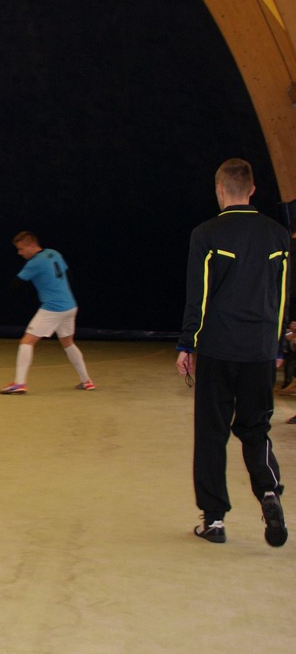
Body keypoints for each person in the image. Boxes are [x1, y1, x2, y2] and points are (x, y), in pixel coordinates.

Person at [176, 158, 288, 546]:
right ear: (252, 189)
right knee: (256, 428)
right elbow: (282, 295)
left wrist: (187, 343)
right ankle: (269, 490)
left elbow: (199, 294)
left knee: (212, 432)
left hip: (217, 349)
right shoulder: (278, 235)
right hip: (259, 350)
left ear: (220, 189)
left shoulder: (206, 234)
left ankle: (214, 520)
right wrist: (277, 345)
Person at [0, 231, 95, 395]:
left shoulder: (34, 263)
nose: (19, 253)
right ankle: (87, 381)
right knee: (68, 343)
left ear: (31, 245)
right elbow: (69, 276)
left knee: (27, 341)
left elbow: (16, 284)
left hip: (53, 308)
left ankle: (19, 384)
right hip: (70, 306)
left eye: (21, 249)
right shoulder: (54, 253)